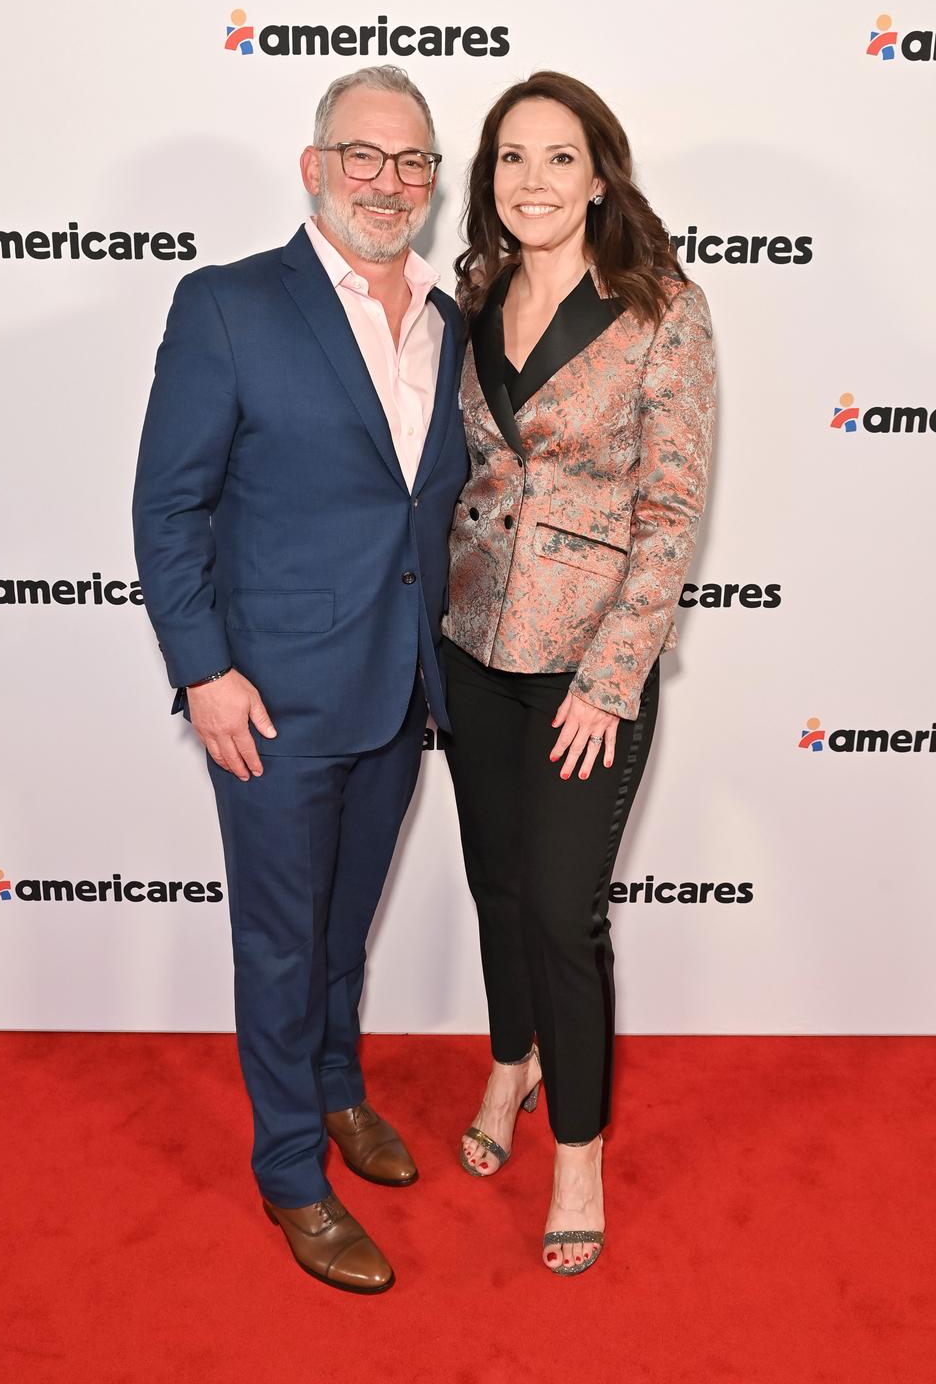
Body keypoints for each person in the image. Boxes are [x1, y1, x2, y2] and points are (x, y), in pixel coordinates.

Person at [133, 66, 467, 1294]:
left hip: (401, 685)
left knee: (340, 931)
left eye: (414, 162)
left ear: (434, 181)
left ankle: (334, 1092)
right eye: (364, 156)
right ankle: (289, 1175)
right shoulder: (227, 305)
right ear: (316, 164)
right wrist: (204, 670)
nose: (390, 182)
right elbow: (168, 506)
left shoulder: (448, 313)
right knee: (281, 943)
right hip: (268, 694)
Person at [442, 71, 716, 1276]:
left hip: (584, 668)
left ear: (599, 176)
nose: (533, 182)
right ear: (488, 179)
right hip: (471, 646)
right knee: (497, 891)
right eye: (511, 158)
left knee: (563, 914)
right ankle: (512, 1061)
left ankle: (579, 1151)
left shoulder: (661, 306)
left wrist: (611, 679)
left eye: (559, 159)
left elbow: (671, 509)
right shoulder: (471, 292)